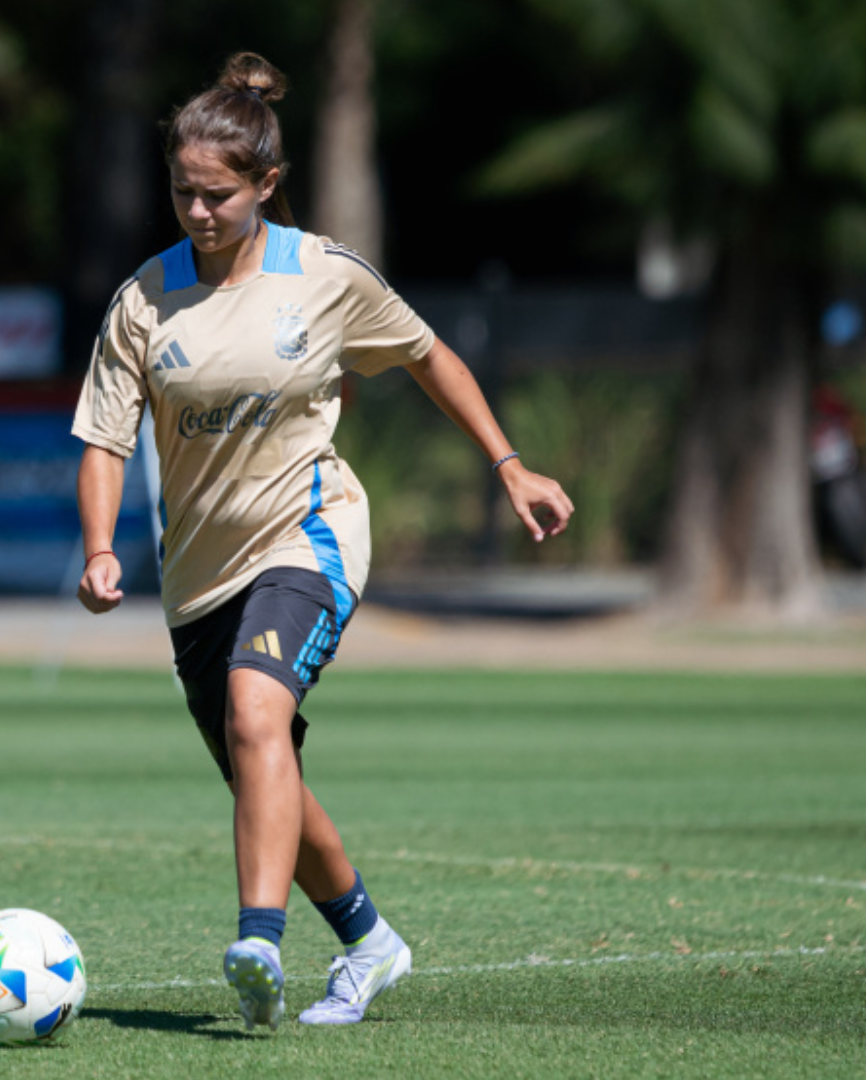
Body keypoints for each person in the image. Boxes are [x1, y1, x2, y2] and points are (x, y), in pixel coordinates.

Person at [71, 51, 573, 1031]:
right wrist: (99, 547)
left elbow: (430, 356)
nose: (198, 211)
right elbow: (101, 436)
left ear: (266, 184)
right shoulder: (143, 299)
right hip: (197, 582)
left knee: (259, 715)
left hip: (310, 533)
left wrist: (509, 464)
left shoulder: (325, 274)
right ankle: (371, 945)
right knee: (268, 776)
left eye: (218, 194)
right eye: (182, 192)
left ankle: (258, 940)